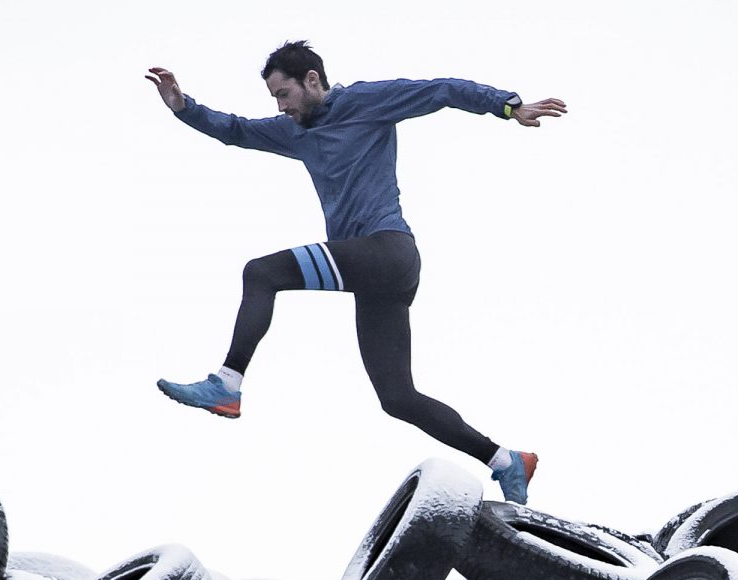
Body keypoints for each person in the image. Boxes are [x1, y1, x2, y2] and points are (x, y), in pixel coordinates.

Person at [146, 41, 566, 505]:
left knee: (261, 273)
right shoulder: (295, 132)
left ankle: (226, 385)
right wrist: (183, 107)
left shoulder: (365, 102)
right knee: (397, 397)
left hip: (388, 251)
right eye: (274, 100)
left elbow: (441, 89)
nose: (282, 107)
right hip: (375, 278)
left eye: (284, 94)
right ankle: (506, 461)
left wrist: (509, 106)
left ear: (311, 81)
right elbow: (237, 130)